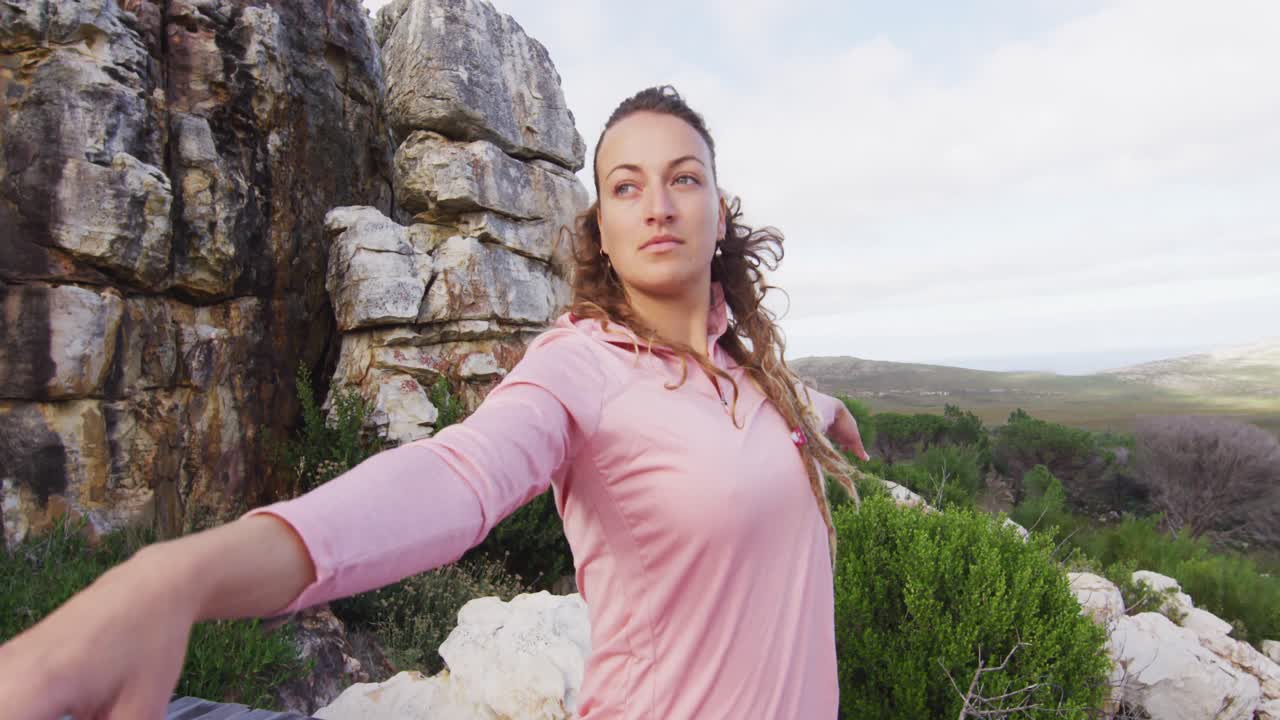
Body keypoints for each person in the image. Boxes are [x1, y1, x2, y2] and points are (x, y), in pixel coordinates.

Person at [0, 85, 869, 719]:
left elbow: (750, 428)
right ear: (599, 223)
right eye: (626, 186)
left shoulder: (751, 376)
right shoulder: (580, 367)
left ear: (720, 211)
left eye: (684, 179)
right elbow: (455, 476)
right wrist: (178, 577)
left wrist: (817, 409)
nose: (658, 205)